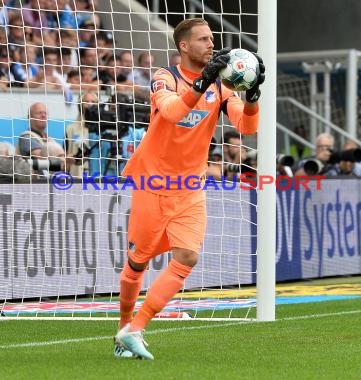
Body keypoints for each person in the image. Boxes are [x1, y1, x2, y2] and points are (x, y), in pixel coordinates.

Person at [113, 18, 265, 360]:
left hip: (190, 186)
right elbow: (171, 112)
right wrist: (203, 81)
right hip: (153, 182)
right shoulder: (164, 77)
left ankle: (136, 329)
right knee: (137, 264)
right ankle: (122, 329)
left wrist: (252, 96)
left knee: (187, 256)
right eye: (204, 39)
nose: (212, 44)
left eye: (213, 39)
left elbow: (247, 126)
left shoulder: (223, 87)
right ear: (184, 46)